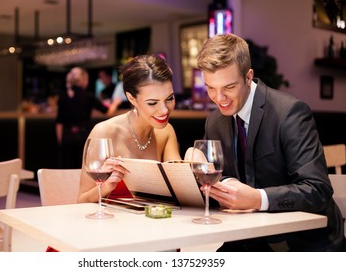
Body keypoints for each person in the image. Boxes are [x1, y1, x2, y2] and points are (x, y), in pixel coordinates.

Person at [195, 33, 345, 251]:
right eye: (210, 87)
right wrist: (201, 168)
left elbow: (317, 190)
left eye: (228, 87)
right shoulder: (215, 120)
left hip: (303, 242)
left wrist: (257, 199)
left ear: (248, 77)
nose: (219, 98)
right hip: (249, 239)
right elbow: (218, 176)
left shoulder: (290, 113)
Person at [78, 54, 181, 203]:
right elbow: (81, 201)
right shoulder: (104, 132)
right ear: (131, 98)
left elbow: (179, 190)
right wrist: (107, 186)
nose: (164, 110)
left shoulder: (166, 131)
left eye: (170, 98)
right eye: (152, 103)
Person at [56, 67, 116, 169]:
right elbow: (107, 111)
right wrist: (116, 103)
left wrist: (61, 141)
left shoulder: (62, 97)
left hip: (67, 136)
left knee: (67, 168)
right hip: (83, 136)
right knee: (82, 167)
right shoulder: (88, 96)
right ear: (83, 80)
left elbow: (59, 122)